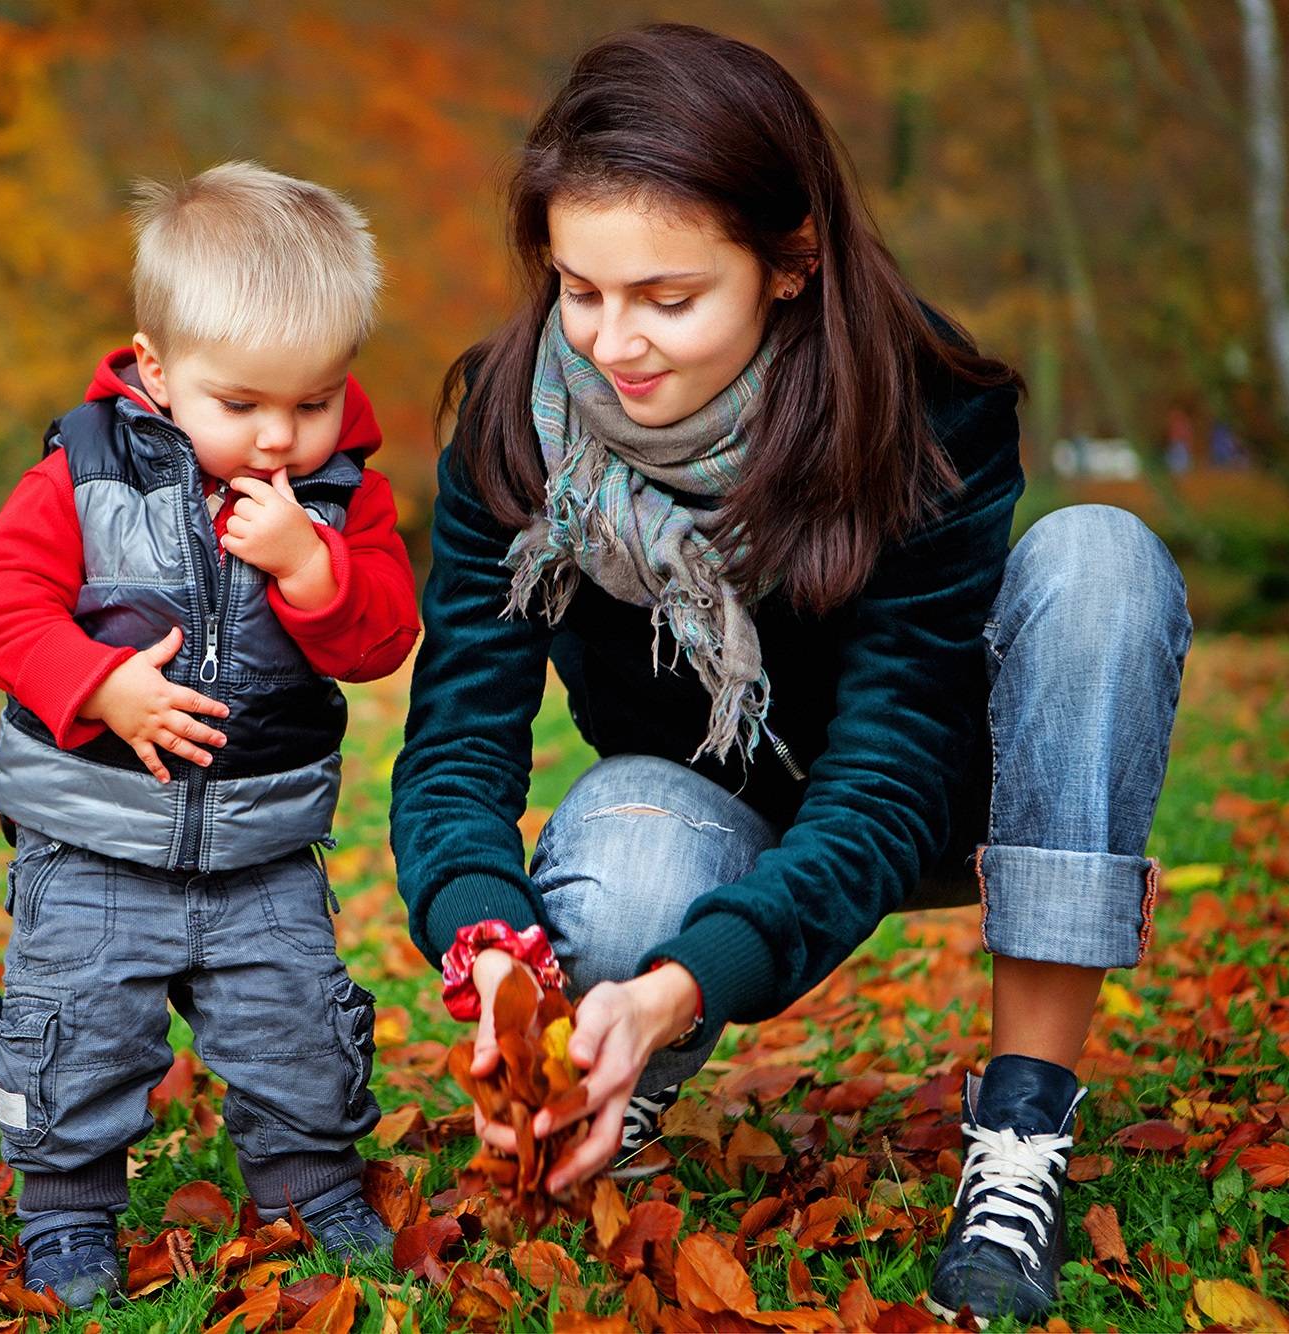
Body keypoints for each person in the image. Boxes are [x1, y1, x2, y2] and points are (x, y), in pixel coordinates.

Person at [388, 25, 1190, 1326]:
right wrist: (495, 953)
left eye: (666, 296)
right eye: (579, 288)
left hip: (943, 791)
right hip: (713, 790)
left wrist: (695, 973)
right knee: (613, 898)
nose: (610, 341)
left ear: (790, 261)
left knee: (1102, 560)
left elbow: (891, 758)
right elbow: (459, 740)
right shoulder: (510, 417)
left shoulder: (921, 398)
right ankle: (609, 1063)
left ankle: (1022, 1134)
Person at [0, 162, 420, 1308]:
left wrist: (315, 570)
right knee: (78, 1030)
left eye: (312, 403)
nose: (279, 439)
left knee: (296, 1026)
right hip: (91, 841)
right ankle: (66, 1208)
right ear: (157, 372)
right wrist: (100, 684)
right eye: (244, 405)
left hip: (261, 844)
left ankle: (311, 1179)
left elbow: (380, 640)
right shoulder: (85, 470)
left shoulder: (340, 495)